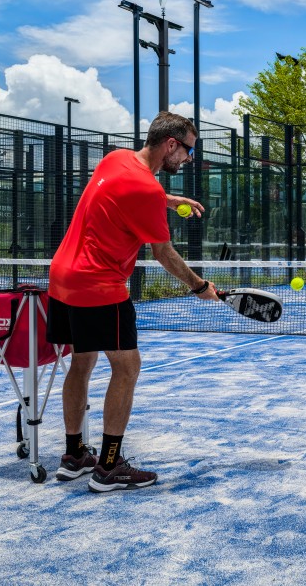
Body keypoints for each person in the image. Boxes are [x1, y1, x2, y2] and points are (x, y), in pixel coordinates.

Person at [47, 111, 219, 493]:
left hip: (62, 278)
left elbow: (119, 193)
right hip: (99, 286)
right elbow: (163, 254)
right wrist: (198, 285)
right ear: (170, 145)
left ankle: (74, 455)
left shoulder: (115, 158)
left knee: (82, 361)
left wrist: (168, 200)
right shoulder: (148, 191)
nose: (189, 158)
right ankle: (109, 468)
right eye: (188, 150)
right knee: (127, 367)